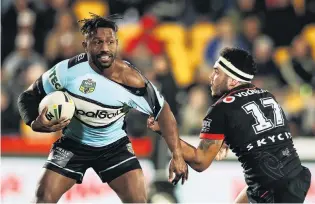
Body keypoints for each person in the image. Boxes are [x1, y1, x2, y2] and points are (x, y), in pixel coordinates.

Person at [17, 13, 188, 203]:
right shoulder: (66, 71)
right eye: (98, 42)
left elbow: (164, 112)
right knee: (43, 197)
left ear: (117, 44)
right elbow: (27, 98)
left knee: (139, 200)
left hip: (114, 147)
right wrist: (35, 122)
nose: (105, 48)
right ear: (85, 45)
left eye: (110, 42)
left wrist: (177, 155)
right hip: (73, 145)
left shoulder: (131, 79)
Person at [148, 47, 311, 203]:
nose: (211, 76)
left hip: (270, 188)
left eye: (217, 72)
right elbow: (266, 134)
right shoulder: (266, 95)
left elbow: (200, 162)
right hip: (295, 176)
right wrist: (227, 139)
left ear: (233, 81)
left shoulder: (221, 109)